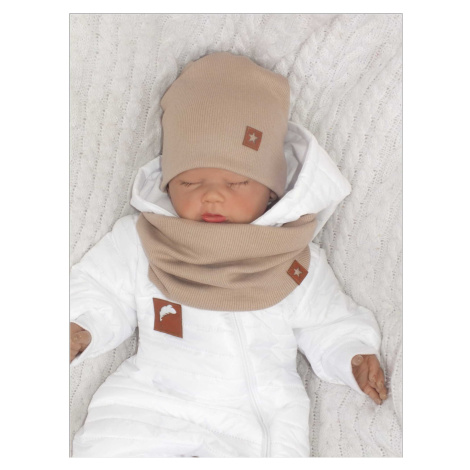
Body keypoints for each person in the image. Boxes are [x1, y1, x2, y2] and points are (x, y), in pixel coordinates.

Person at [70, 52, 388, 458]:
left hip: (256, 417)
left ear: (271, 191)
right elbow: (102, 287)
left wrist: (352, 354)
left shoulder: (293, 259)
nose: (212, 196)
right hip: (153, 402)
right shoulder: (144, 240)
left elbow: (327, 320)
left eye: (236, 182)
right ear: (167, 183)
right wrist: (81, 324)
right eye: (190, 181)